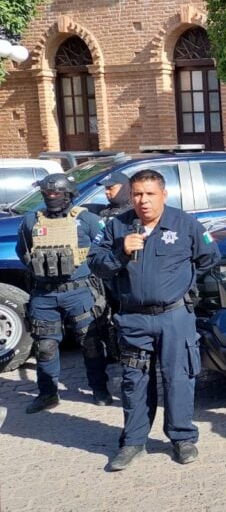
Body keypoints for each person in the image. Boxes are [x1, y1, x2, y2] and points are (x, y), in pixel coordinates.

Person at [88, 169, 221, 471]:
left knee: (179, 379)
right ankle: (133, 442)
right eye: (137, 194)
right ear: (130, 195)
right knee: (134, 382)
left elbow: (209, 257)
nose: (143, 201)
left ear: (163, 195)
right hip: (133, 319)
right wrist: (121, 252)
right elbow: (95, 263)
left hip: (175, 317)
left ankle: (182, 437)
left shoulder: (185, 223)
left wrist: (184, 286)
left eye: (149, 194)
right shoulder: (116, 227)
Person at [16, 173, 110, 413]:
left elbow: (103, 250)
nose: (51, 197)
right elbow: (22, 250)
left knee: (90, 342)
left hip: (79, 292)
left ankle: (100, 389)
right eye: (47, 194)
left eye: (56, 193)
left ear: (68, 194)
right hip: (44, 294)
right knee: (45, 345)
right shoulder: (31, 221)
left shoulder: (87, 220)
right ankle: (48, 393)